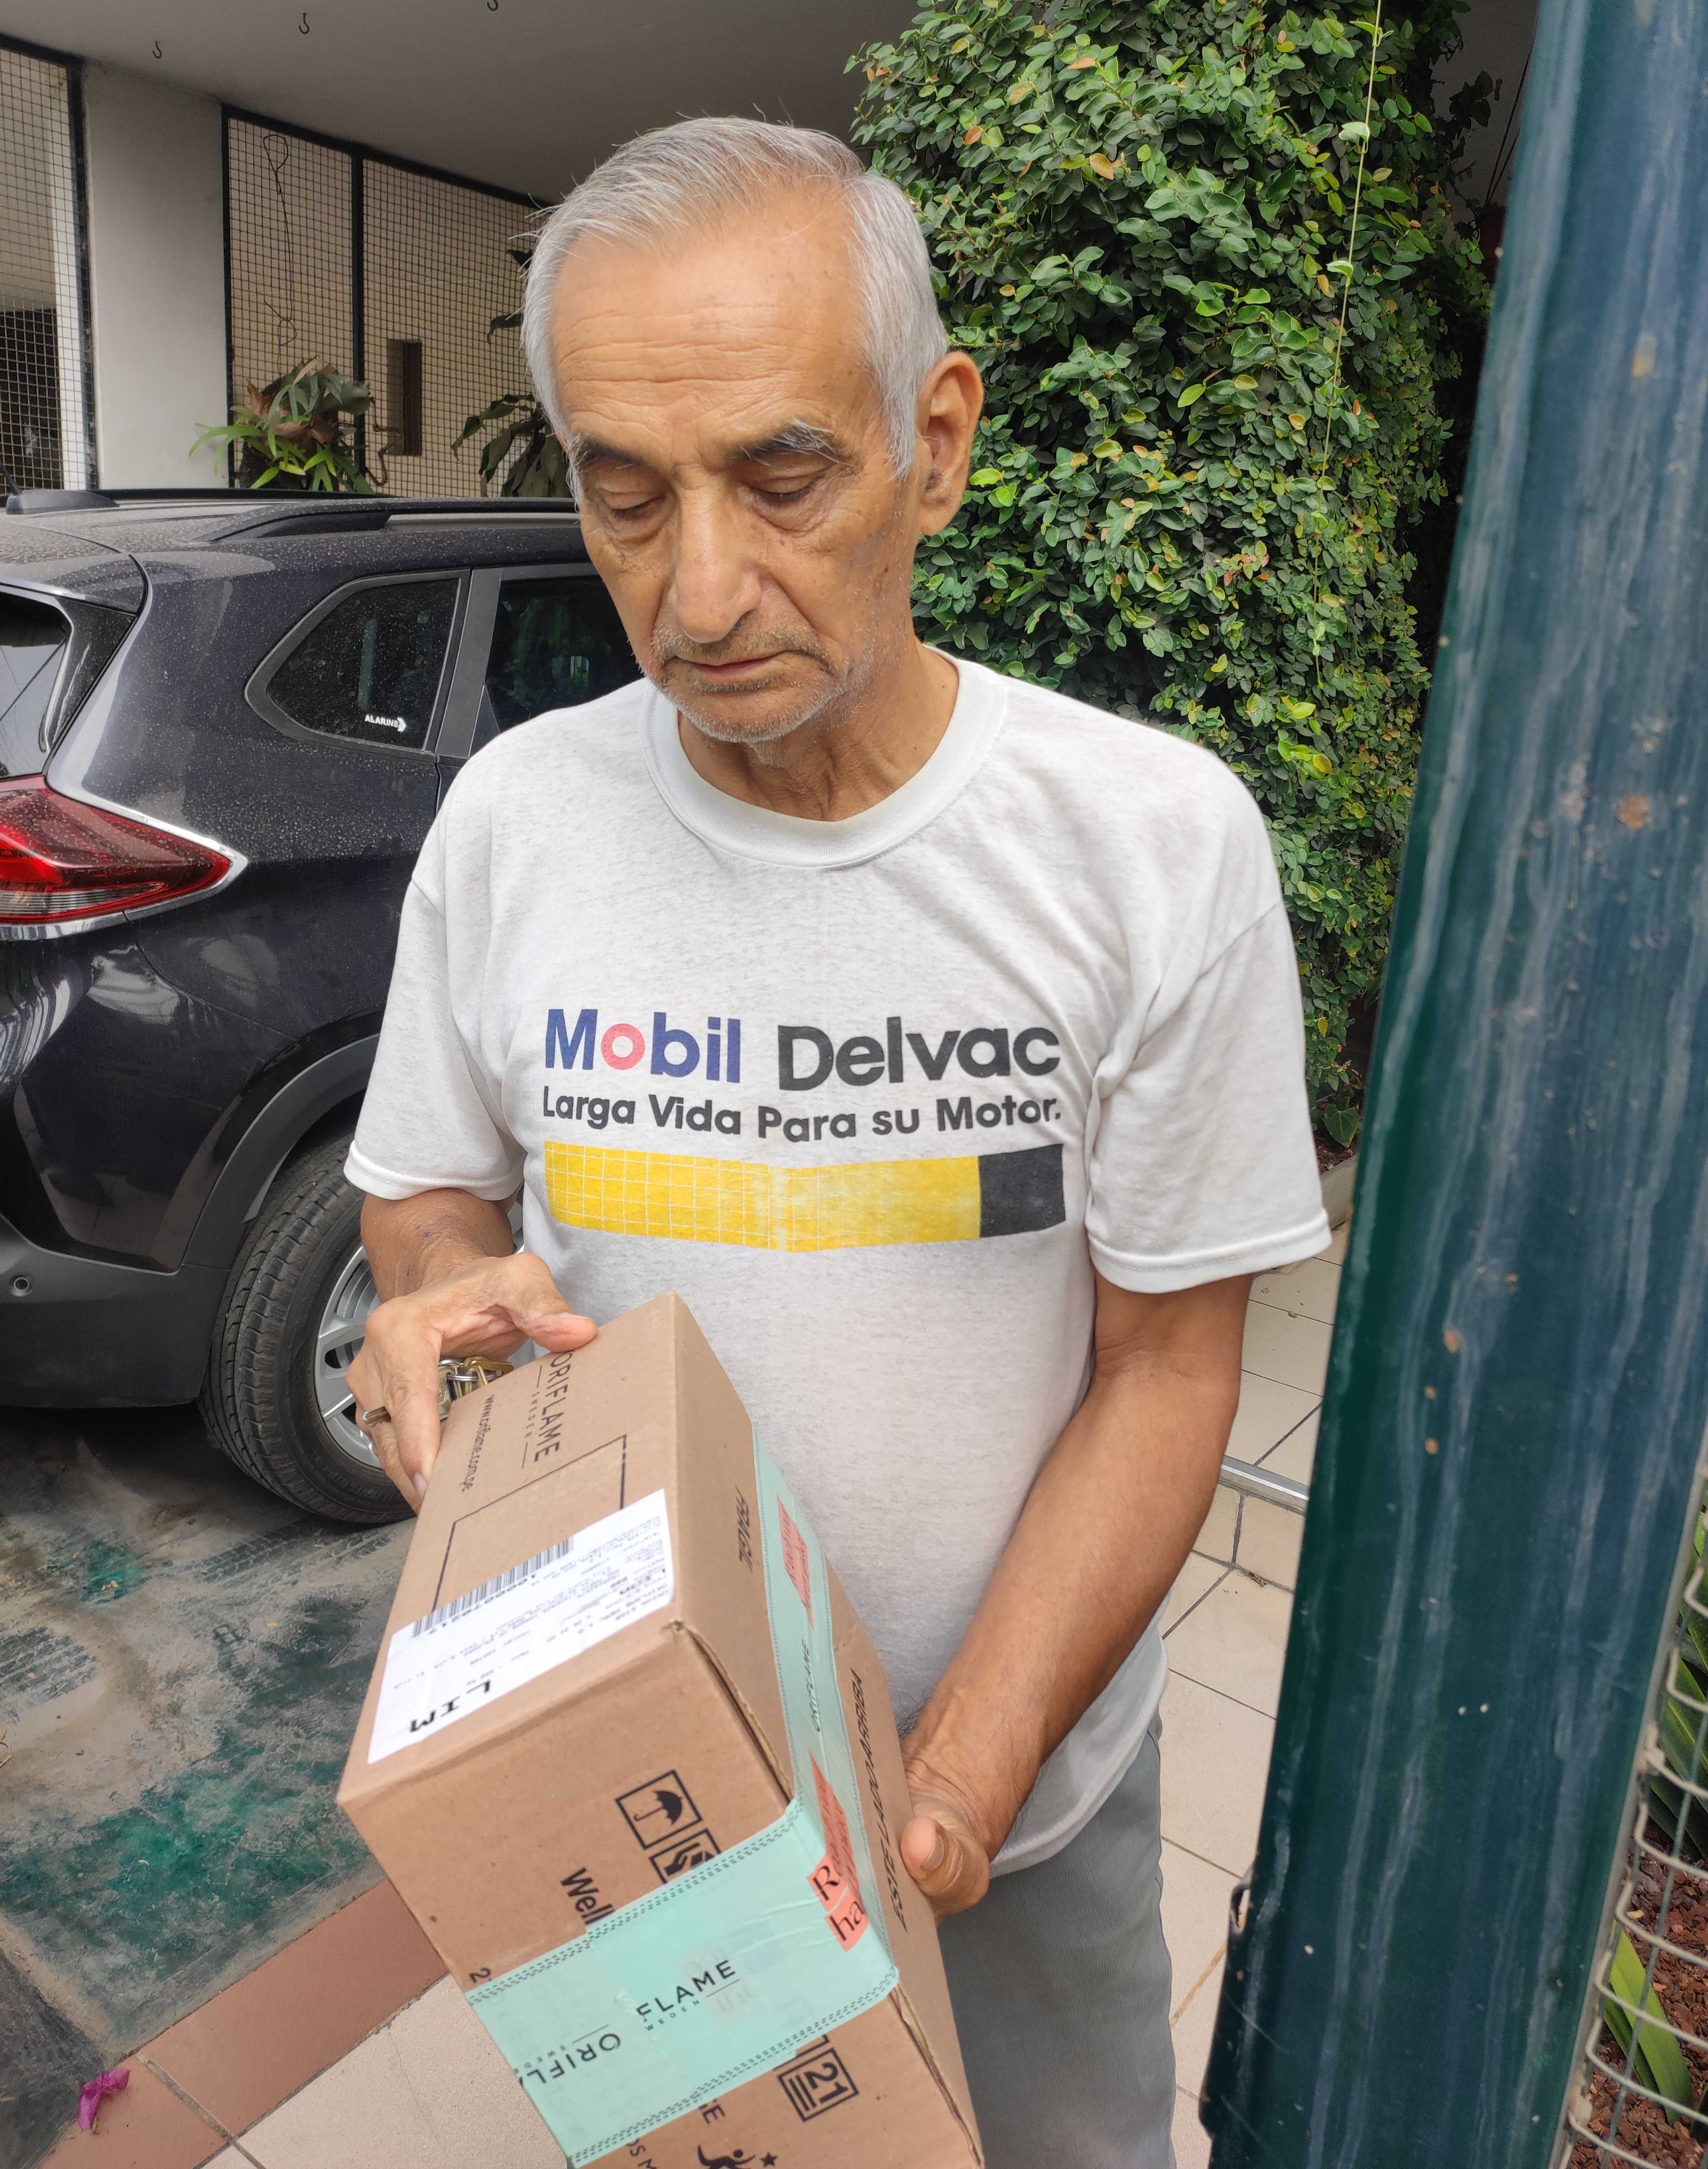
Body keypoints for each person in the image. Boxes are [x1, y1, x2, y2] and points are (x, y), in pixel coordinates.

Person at [345, 117, 1329, 2167]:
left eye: (781, 477)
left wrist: (955, 1779)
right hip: (653, 1824)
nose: (699, 592)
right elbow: (427, 1199)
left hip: (1024, 1816)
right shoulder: (516, 824)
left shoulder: (1149, 847)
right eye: (625, 498)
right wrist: (433, 1299)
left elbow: (1169, 1368)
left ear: (935, 443)